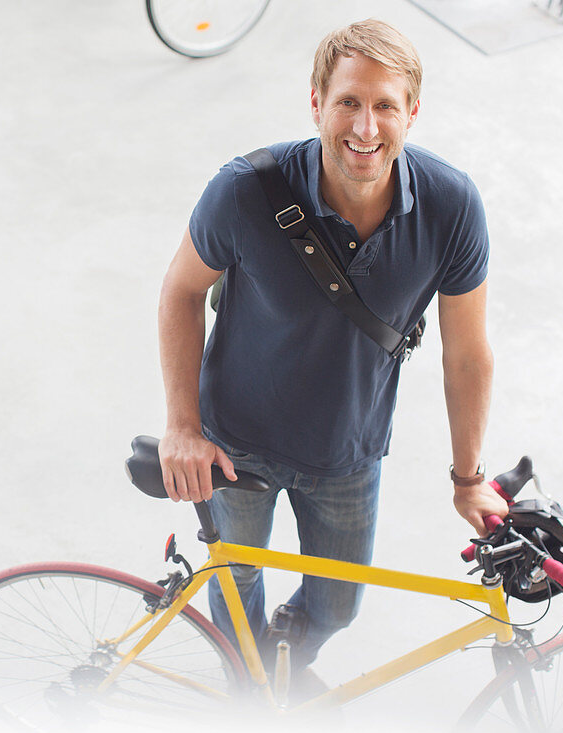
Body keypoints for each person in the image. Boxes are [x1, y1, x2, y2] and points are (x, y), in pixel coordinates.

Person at [156, 19, 509, 686]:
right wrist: (182, 424)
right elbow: (179, 291)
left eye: (384, 105)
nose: (366, 128)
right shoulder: (245, 191)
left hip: (348, 452)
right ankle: (251, 689)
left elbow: (468, 356)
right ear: (317, 103)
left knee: (338, 604)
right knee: (237, 589)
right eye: (348, 102)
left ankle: (282, 661)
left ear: (412, 113)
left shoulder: (451, 208)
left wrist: (468, 480)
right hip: (235, 440)